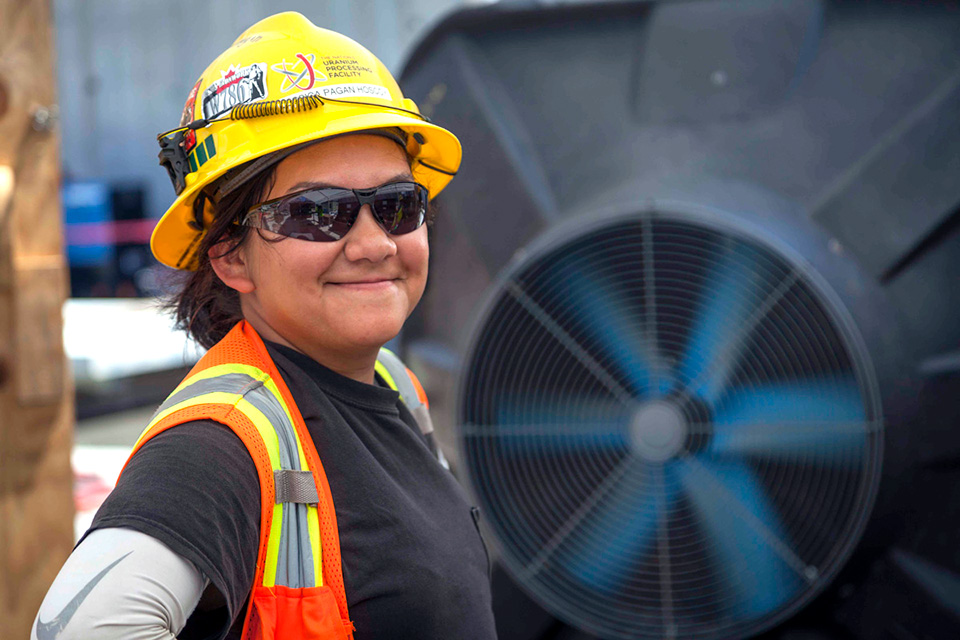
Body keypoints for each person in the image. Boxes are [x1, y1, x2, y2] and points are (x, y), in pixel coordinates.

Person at [33, 12, 495, 640]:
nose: (373, 243)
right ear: (230, 255)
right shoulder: (219, 443)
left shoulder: (393, 384)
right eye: (319, 214)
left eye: (397, 205)